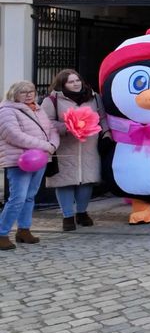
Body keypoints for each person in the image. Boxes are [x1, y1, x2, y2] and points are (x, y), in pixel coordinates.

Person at [41, 69, 106, 231]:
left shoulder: (94, 97)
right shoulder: (52, 100)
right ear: (62, 84)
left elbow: (103, 118)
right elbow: (45, 122)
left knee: (87, 180)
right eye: (70, 82)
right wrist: (66, 127)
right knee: (65, 182)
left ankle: (82, 213)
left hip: (89, 145)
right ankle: (67, 216)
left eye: (77, 80)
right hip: (65, 146)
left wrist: (107, 134)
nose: (75, 84)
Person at [0, 81, 60, 249]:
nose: (28, 94)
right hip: (19, 161)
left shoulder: (38, 109)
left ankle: (24, 230)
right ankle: (2, 233)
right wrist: (45, 146)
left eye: (31, 91)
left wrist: (53, 145)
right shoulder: (7, 111)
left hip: (39, 159)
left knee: (30, 196)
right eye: (23, 92)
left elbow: (52, 129)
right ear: (14, 94)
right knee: (17, 198)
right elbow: (14, 135)